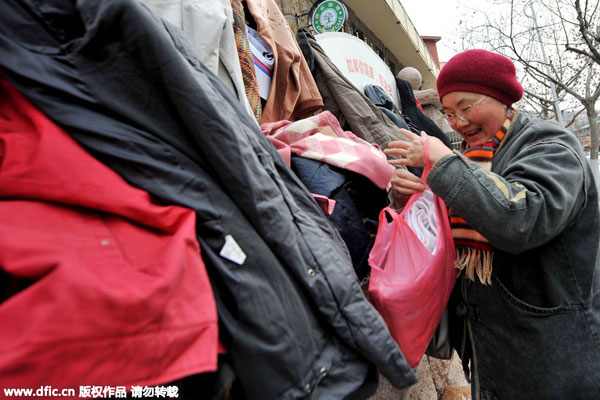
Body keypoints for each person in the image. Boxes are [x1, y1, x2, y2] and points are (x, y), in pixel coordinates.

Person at [384, 49, 600, 399]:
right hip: (494, 348)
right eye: (449, 113)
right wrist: (426, 197)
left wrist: (444, 166)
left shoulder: (550, 144)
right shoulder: (478, 156)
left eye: (466, 107)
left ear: (501, 97)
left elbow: (521, 218)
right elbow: (476, 206)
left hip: (554, 354)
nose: (456, 123)